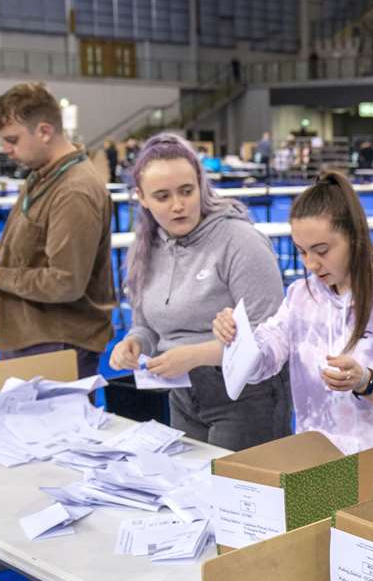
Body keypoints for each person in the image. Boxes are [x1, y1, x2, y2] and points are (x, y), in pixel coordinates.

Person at [212, 173, 373, 478]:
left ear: (355, 238)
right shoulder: (299, 296)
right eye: (302, 251)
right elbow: (262, 364)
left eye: (322, 250)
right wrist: (238, 338)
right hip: (320, 468)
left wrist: (366, 382)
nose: (311, 264)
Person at [107, 134, 291, 450]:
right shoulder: (146, 249)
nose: (178, 205)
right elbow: (146, 326)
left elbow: (271, 338)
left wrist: (194, 356)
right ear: (142, 198)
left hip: (247, 398)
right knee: (194, 493)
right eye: (162, 196)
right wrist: (134, 343)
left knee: (237, 494)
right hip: (183, 396)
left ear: (201, 186)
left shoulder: (240, 241)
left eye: (187, 191)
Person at [0, 82, 113, 380]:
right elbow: (30, 253)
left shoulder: (74, 190)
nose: (6, 149)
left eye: (12, 139)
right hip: (34, 337)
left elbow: (65, 282)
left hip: (56, 342)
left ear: (45, 131)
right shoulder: (42, 175)